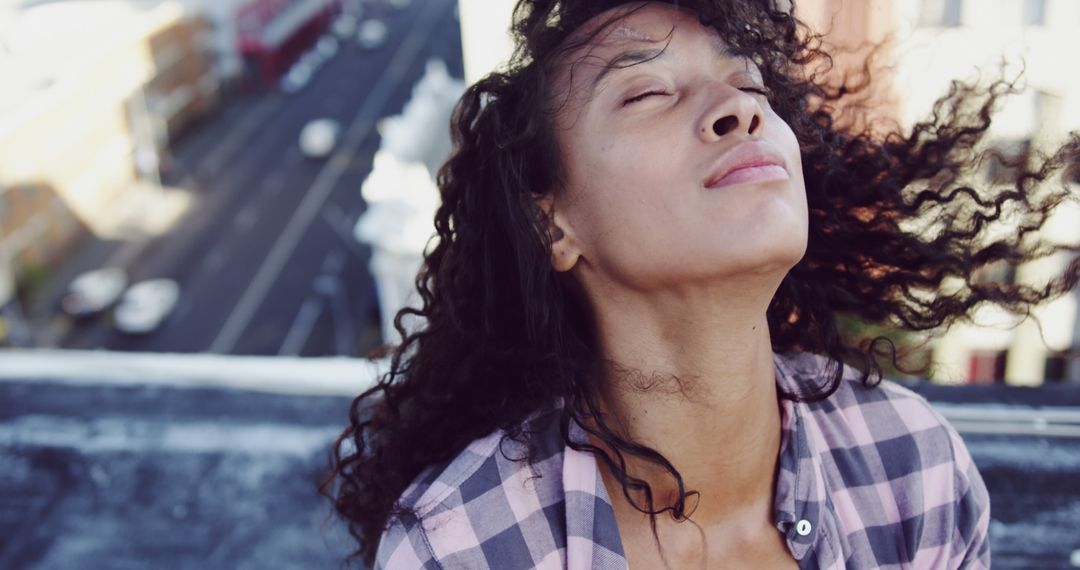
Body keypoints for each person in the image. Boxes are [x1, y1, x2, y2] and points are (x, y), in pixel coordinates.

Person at [326, 1, 1080, 568]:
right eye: (646, 93)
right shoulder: (463, 547)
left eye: (748, 83)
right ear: (553, 225)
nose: (738, 109)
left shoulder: (912, 468)